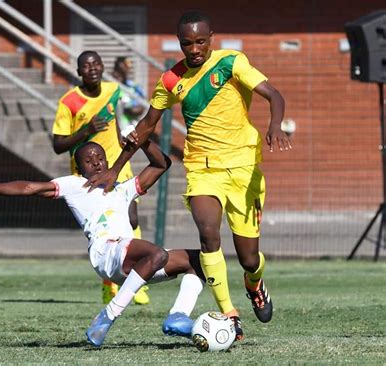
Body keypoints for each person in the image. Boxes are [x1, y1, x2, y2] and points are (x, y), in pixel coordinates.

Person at [83, 10, 293, 341]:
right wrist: (114, 167)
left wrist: (275, 124)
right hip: (202, 169)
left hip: (243, 167)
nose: (194, 49)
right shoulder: (169, 80)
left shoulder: (231, 63)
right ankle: (230, 314)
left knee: (248, 257)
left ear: (211, 38)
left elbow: (274, 95)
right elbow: (145, 127)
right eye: (186, 43)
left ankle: (253, 282)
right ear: (180, 43)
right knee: (209, 236)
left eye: (199, 42)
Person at [0, 139, 206, 347]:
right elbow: (28, 187)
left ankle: (178, 317)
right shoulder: (74, 185)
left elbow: (162, 163)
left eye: (100, 157)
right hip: (106, 251)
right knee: (158, 253)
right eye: (89, 159)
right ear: (79, 168)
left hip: (133, 261)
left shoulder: (122, 189)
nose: (96, 162)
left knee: (198, 261)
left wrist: (141, 140)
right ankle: (108, 315)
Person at [51, 50, 149, 305]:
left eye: (96, 63)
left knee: (132, 215)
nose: (92, 68)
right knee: (105, 230)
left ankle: (136, 278)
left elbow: (114, 122)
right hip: (87, 172)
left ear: (103, 67)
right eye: (86, 65)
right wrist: (86, 130)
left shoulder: (112, 90)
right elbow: (58, 144)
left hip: (115, 162)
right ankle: (110, 284)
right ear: (78, 71)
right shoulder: (69, 101)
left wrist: (121, 144)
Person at [112, 56, 147, 130]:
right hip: (115, 129)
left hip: (131, 127)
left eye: (126, 67)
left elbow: (141, 108)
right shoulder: (110, 87)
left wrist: (126, 109)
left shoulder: (134, 87)